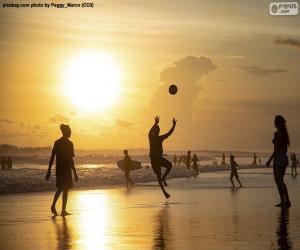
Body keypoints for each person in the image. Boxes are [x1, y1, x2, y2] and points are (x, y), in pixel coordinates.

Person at [46, 124, 78, 216]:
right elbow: (71, 160)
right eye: (69, 131)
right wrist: (75, 172)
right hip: (66, 169)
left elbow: (52, 157)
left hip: (59, 169)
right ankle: (58, 208)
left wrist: (49, 171)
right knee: (64, 189)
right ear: (67, 132)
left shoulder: (57, 143)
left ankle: (60, 208)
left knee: (61, 188)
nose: (70, 132)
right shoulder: (69, 144)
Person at [148, 116, 176, 199]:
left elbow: (169, 133)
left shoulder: (160, 138)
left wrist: (173, 126)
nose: (158, 130)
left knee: (170, 165)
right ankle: (164, 192)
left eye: (158, 129)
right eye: (157, 129)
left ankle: (164, 178)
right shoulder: (151, 138)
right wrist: (155, 123)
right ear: (154, 131)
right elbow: (149, 132)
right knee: (158, 176)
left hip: (160, 159)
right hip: (154, 160)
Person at [266, 115, 291, 208]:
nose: (274, 123)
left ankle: (283, 201)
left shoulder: (278, 134)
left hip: (278, 158)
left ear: (278, 123)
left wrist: (269, 160)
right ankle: (287, 200)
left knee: (278, 181)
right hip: (284, 158)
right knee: (281, 181)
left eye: (275, 121)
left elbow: (276, 149)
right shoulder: (284, 134)